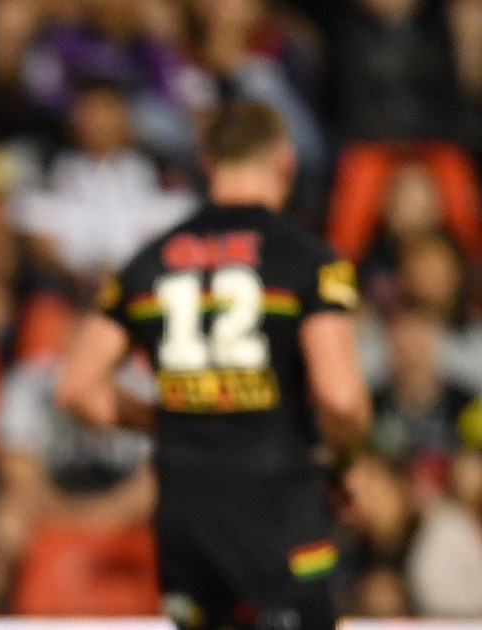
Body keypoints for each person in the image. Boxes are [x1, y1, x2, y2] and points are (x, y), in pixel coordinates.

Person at [56, 101, 371, 630]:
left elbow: (76, 388)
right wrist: (344, 460)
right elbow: (340, 398)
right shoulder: (307, 259)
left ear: (207, 162)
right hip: (277, 503)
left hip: (186, 511)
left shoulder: (149, 261)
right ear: (285, 160)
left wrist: (174, 418)